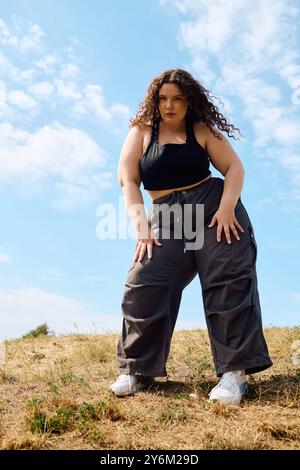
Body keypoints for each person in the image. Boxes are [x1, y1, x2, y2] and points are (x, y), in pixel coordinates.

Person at [109, 68, 273, 405]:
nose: (169, 106)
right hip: (166, 215)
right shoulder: (141, 132)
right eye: (163, 98)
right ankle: (137, 370)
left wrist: (227, 208)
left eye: (177, 99)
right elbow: (127, 179)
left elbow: (234, 169)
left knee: (227, 281)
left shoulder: (201, 129)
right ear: (155, 101)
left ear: (189, 101)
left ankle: (234, 374)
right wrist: (141, 224)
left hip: (212, 206)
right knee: (144, 282)